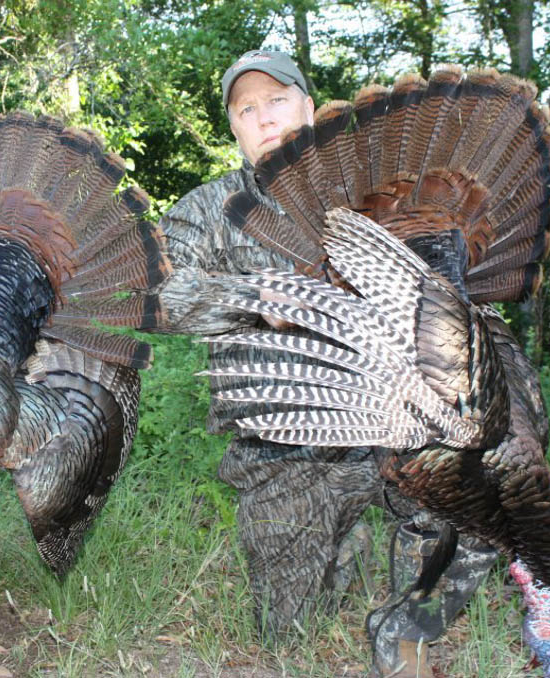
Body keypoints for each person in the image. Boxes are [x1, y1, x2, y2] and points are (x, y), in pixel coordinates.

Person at [155, 49, 499, 678]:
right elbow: (163, 295)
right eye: (246, 109)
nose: (264, 118)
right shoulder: (210, 206)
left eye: (277, 101)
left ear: (308, 107)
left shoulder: (375, 191)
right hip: (282, 444)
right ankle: (339, 545)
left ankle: (408, 631)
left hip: (392, 427)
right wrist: (263, 303)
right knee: (287, 636)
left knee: (477, 488)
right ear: (233, 127)